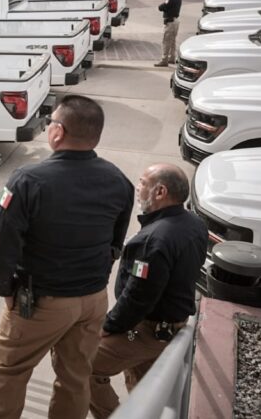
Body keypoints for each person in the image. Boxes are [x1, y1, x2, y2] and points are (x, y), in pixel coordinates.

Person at [0, 94, 134, 419]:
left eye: (50, 122)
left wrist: (6, 289)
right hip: (92, 300)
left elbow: (0, 244)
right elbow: (115, 243)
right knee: (76, 378)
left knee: (10, 373)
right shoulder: (119, 181)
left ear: (58, 131)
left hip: (40, 302)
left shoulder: (28, 181)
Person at [89, 164, 207, 418]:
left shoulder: (154, 240)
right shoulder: (195, 224)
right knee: (144, 385)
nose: (139, 188)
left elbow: (138, 297)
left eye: (143, 183)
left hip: (141, 333)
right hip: (166, 327)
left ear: (160, 191)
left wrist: (108, 327)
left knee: (85, 365)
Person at [154, 0, 182, 67]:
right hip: (175, 21)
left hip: (170, 22)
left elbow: (161, 7)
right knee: (172, 41)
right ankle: (171, 58)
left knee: (166, 41)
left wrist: (165, 4)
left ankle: (164, 60)